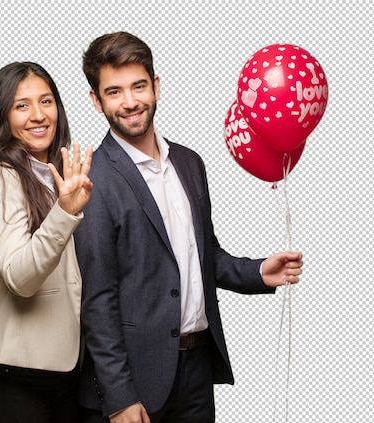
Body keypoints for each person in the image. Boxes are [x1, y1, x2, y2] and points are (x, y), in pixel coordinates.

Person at [74, 32, 304, 423]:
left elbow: (203, 254)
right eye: (114, 92)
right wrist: (119, 396)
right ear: (96, 101)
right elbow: (97, 300)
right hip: (136, 381)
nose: (130, 102)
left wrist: (258, 272)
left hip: (196, 370)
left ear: (156, 86)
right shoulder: (92, 178)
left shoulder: (189, 162)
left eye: (138, 86)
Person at [0, 61, 93, 422]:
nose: (38, 115)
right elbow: (20, 277)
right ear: (2, 116)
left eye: (46, 101)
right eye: (22, 105)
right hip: (16, 381)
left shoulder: (57, 179)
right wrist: (64, 213)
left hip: (67, 377)